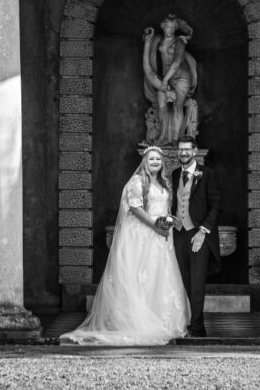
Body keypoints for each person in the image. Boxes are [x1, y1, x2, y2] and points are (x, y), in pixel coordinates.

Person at [60, 146, 190, 345]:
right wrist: (155, 224)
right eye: (151, 159)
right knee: (141, 277)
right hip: (143, 236)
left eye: (158, 159)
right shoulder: (137, 182)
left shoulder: (165, 183)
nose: (155, 162)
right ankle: (138, 323)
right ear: (145, 161)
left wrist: (167, 222)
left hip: (161, 239)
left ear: (162, 162)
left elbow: (163, 207)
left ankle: (161, 320)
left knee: (159, 276)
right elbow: (136, 209)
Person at [170, 136, 221, 337]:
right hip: (179, 234)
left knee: (197, 283)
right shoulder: (174, 174)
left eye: (187, 150)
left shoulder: (207, 174)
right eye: (180, 150)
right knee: (183, 281)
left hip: (199, 234)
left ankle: (198, 329)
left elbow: (216, 204)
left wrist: (203, 231)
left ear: (194, 151)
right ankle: (189, 322)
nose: (183, 153)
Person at [142, 14, 199, 144]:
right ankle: (162, 135)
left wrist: (165, 79)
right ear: (163, 27)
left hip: (181, 77)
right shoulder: (160, 41)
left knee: (177, 107)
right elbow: (147, 55)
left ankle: (175, 139)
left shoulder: (179, 41)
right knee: (161, 105)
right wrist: (148, 38)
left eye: (173, 27)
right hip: (166, 78)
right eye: (168, 27)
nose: (171, 30)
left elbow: (177, 61)